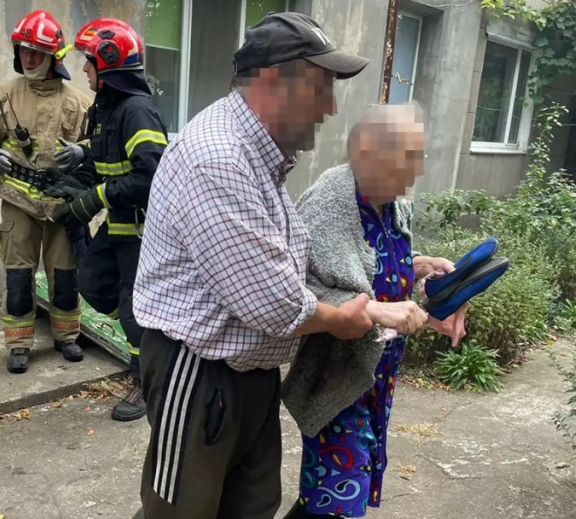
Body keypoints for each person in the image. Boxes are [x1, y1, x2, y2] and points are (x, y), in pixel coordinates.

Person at [131, 12, 375, 519]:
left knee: (252, 506)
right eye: (321, 88)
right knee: (181, 513)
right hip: (198, 372)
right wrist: (340, 319)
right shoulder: (218, 157)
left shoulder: (260, 158)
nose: (330, 107)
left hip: (249, 371)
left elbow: (287, 260)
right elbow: (273, 302)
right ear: (272, 81)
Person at [281, 104, 456, 519]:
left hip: (377, 375)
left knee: (334, 493)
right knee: (341, 494)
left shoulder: (393, 206)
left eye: (419, 156)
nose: (417, 170)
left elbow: (371, 265)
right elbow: (291, 289)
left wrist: (419, 265)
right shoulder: (328, 204)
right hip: (337, 377)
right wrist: (377, 310)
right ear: (369, 153)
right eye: (408, 157)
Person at [46, 18, 168, 422]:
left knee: (133, 312)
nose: (83, 68)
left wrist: (93, 200)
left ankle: (146, 382)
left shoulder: (137, 112)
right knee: (93, 284)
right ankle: (155, 344)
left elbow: (149, 177)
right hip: (118, 227)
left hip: (143, 232)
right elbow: (101, 165)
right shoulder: (107, 109)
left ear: (110, 63)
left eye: (89, 61)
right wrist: (72, 185)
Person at [0, 10, 93, 374]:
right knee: (18, 274)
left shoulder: (79, 102)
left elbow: (98, 144)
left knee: (65, 273)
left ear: (54, 56)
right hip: (18, 202)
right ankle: (19, 343)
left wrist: (83, 151)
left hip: (62, 205)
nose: (29, 58)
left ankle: (67, 336)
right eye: (23, 50)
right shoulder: (4, 97)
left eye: (37, 52)